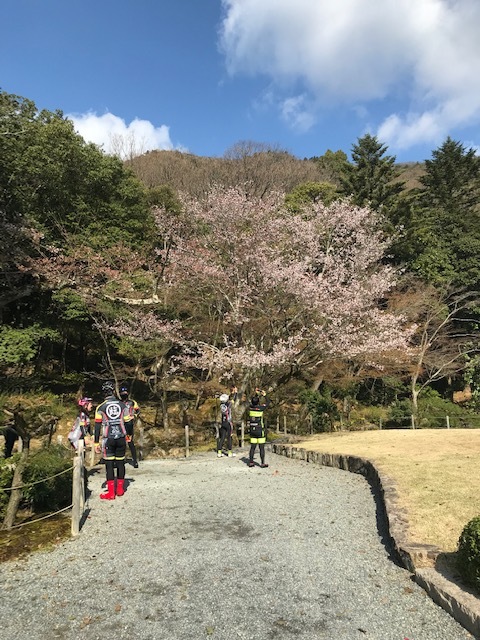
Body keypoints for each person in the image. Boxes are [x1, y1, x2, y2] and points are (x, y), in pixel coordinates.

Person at [94, 380, 132, 500]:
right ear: (113, 391)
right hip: (121, 437)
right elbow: (128, 422)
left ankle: (111, 493)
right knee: (121, 463)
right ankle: (120, 489)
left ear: (103, 393)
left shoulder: (100, 407)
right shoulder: (122, 405)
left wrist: (96, 442)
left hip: (108, 438)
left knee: (109, 465)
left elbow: (97, 426)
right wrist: (129, 434)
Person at [248, 388, 270, 468]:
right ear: (258, 402)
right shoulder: (260, 408)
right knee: (261, 447)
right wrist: (265, 395)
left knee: (252, 447)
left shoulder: (250, 408)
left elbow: (253, 401)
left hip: (252, 430)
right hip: (260, 430)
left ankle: (250, 462)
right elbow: (268, 403)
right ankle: (262, 463)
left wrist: (256, 394)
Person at [119, 384, 140, 468]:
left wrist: (134, 416)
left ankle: (135, 461)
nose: (124, 393)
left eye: (125, 392)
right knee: (121, 443)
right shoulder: (119, 403)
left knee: (130, 443)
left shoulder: (132, 402)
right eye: (122, 392)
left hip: (129, 425)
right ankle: (120, 460)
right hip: (120, 425)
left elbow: (138, 410)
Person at [217, 391, 235, 458]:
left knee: (222, 437)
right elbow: (233, 399)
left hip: (223, 422)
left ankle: (219, 452)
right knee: (229, 437)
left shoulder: (221, 405)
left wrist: (232, 393)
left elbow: (227, 398)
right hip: (228, 422)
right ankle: (230, 452)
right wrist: (235, 393)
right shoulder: (229, 405)